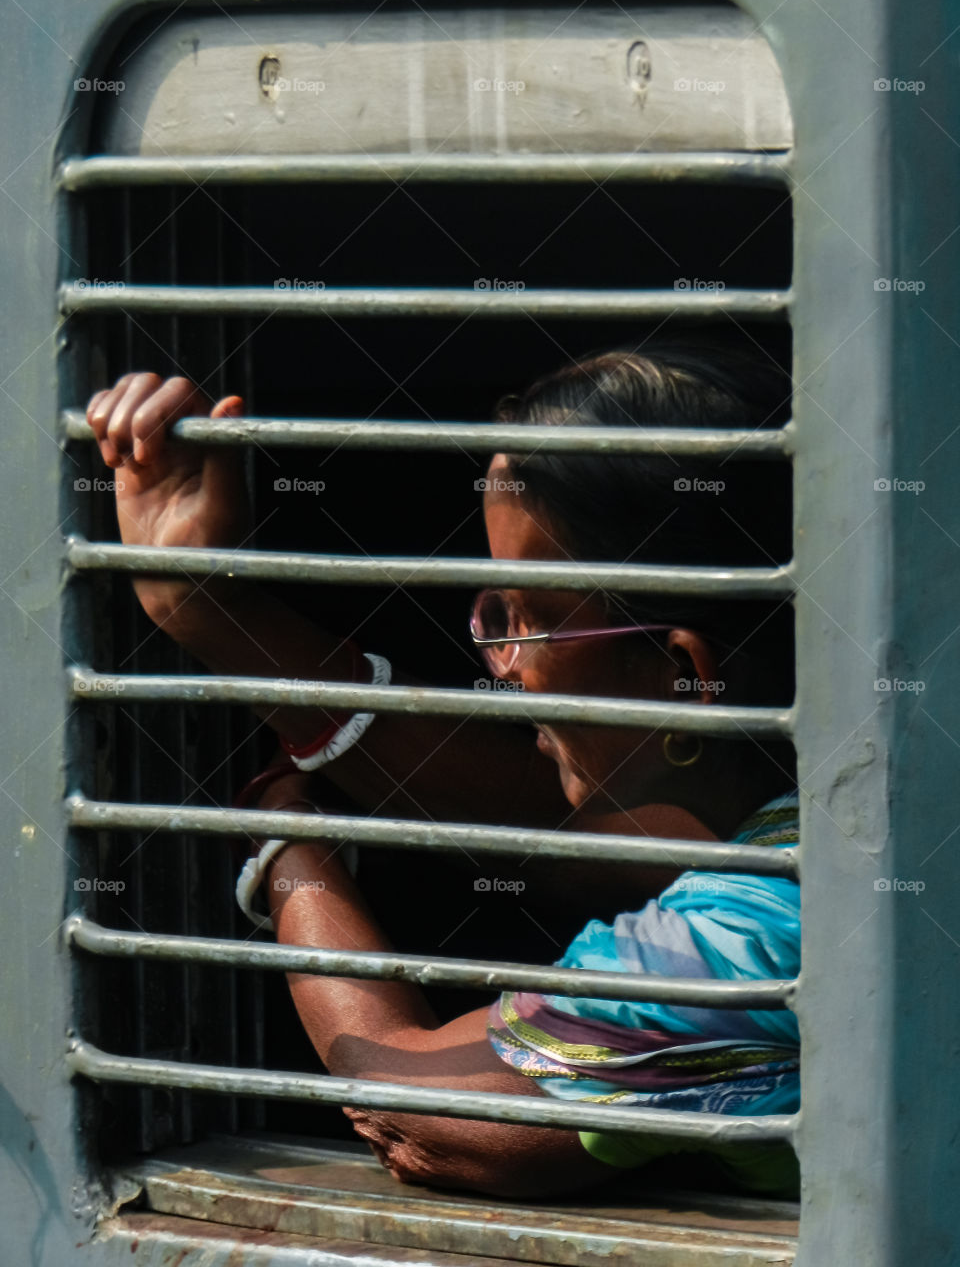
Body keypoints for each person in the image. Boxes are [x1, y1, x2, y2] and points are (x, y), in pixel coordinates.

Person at [85, 332, 800, 1200]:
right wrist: (203, 607)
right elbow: (568, 831)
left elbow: (429, 1120)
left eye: (524, 617)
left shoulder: (749, 936)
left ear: (682, 675)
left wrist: (291, 849)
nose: (499, 662)